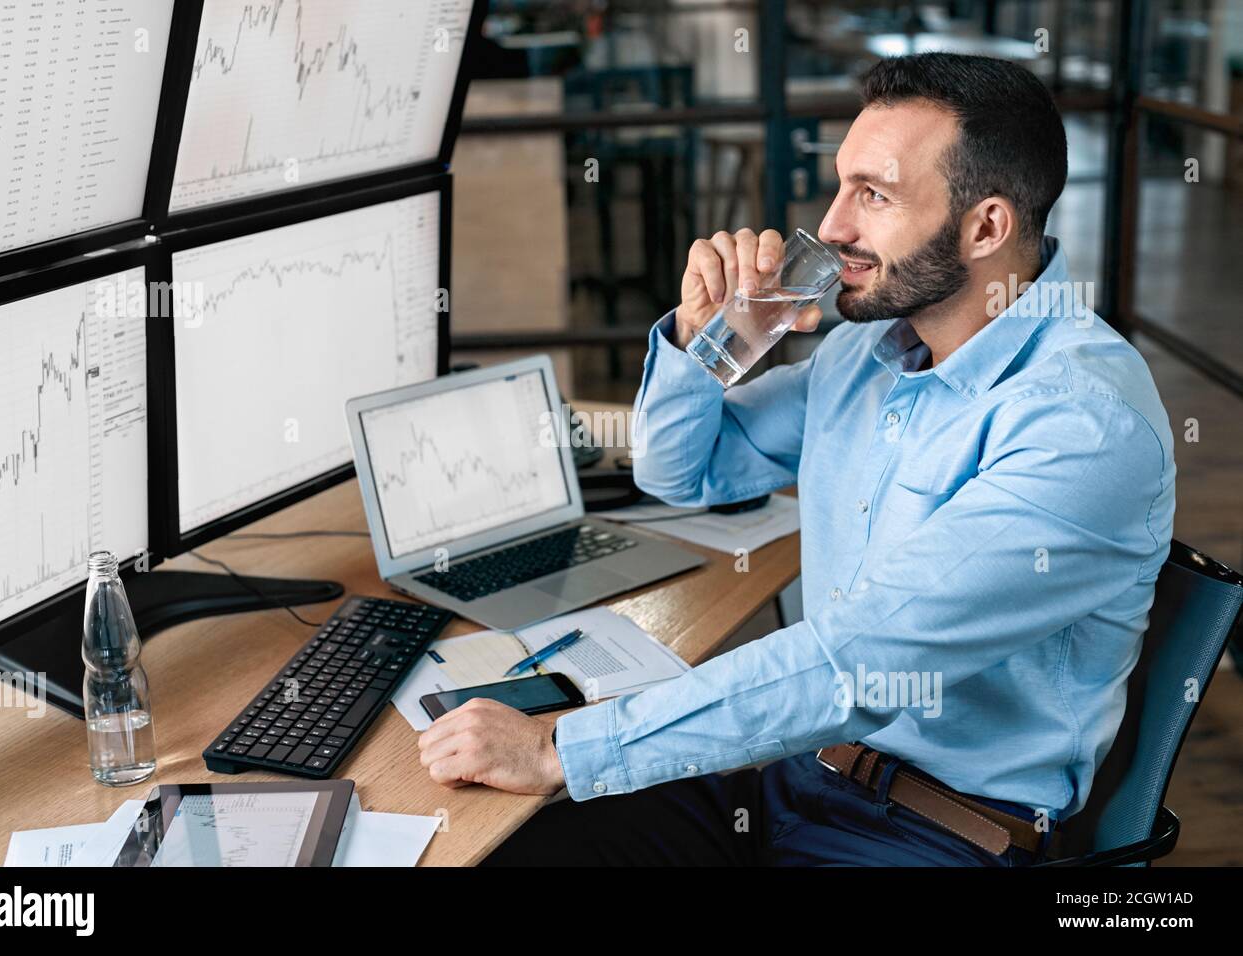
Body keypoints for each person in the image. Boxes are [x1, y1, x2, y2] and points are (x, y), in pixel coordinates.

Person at [416, 52, 1176, 866]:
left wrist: (558, 750)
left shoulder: (1085, 425)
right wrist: (707, 338)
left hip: (937, 834)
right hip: (793, 774)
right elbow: (683, 471)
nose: (834, 226)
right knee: (499, 850)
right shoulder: (871, 355)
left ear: (985, 227)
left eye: (873, 195)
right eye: (842, 185)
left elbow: (857, 664)